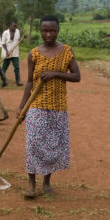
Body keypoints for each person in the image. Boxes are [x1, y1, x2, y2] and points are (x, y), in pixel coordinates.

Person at [18, 15, 81, 199]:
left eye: (52, 30)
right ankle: (31, 182)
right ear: (40, 31)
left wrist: (55, 74)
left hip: (58, 106)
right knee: (33, 143)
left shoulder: (66, 51)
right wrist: (22, 106)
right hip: (36, 105)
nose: (48, 34)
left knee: (52, 145)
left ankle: (46, 182)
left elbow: (77, 76)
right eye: (45, 30)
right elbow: (29, 82)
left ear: (58, 30)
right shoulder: (34, 53)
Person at [1, 21, 23, 86]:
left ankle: (18, 81)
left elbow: (18, 40)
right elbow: (3, 43)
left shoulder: (17, 31)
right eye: (13, 26)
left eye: (15, 26)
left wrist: (23, 38)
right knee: (4, 68)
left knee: (16, 67)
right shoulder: (5, 33)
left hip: (15, 53)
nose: (14, 28)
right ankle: (4, 81)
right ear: (10, 26)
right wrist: (7, 51)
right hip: (7, 53)